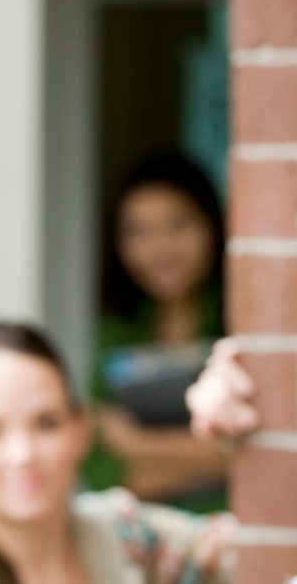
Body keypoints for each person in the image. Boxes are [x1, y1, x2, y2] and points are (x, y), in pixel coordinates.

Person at [0, 324, 238, 584]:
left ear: (80, 429)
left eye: (47, 423)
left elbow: (263, 551)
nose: (23, 454)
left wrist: (248, 404)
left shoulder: (125, 534)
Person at [86, 152, 228, 511]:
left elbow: (264, 452)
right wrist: (210, 459)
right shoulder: (116, 333)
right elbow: (100, 467)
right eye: (138, 232)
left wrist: (136, 445)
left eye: (178, 225)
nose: (160, 248)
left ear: (213, 225)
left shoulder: (246, 324)